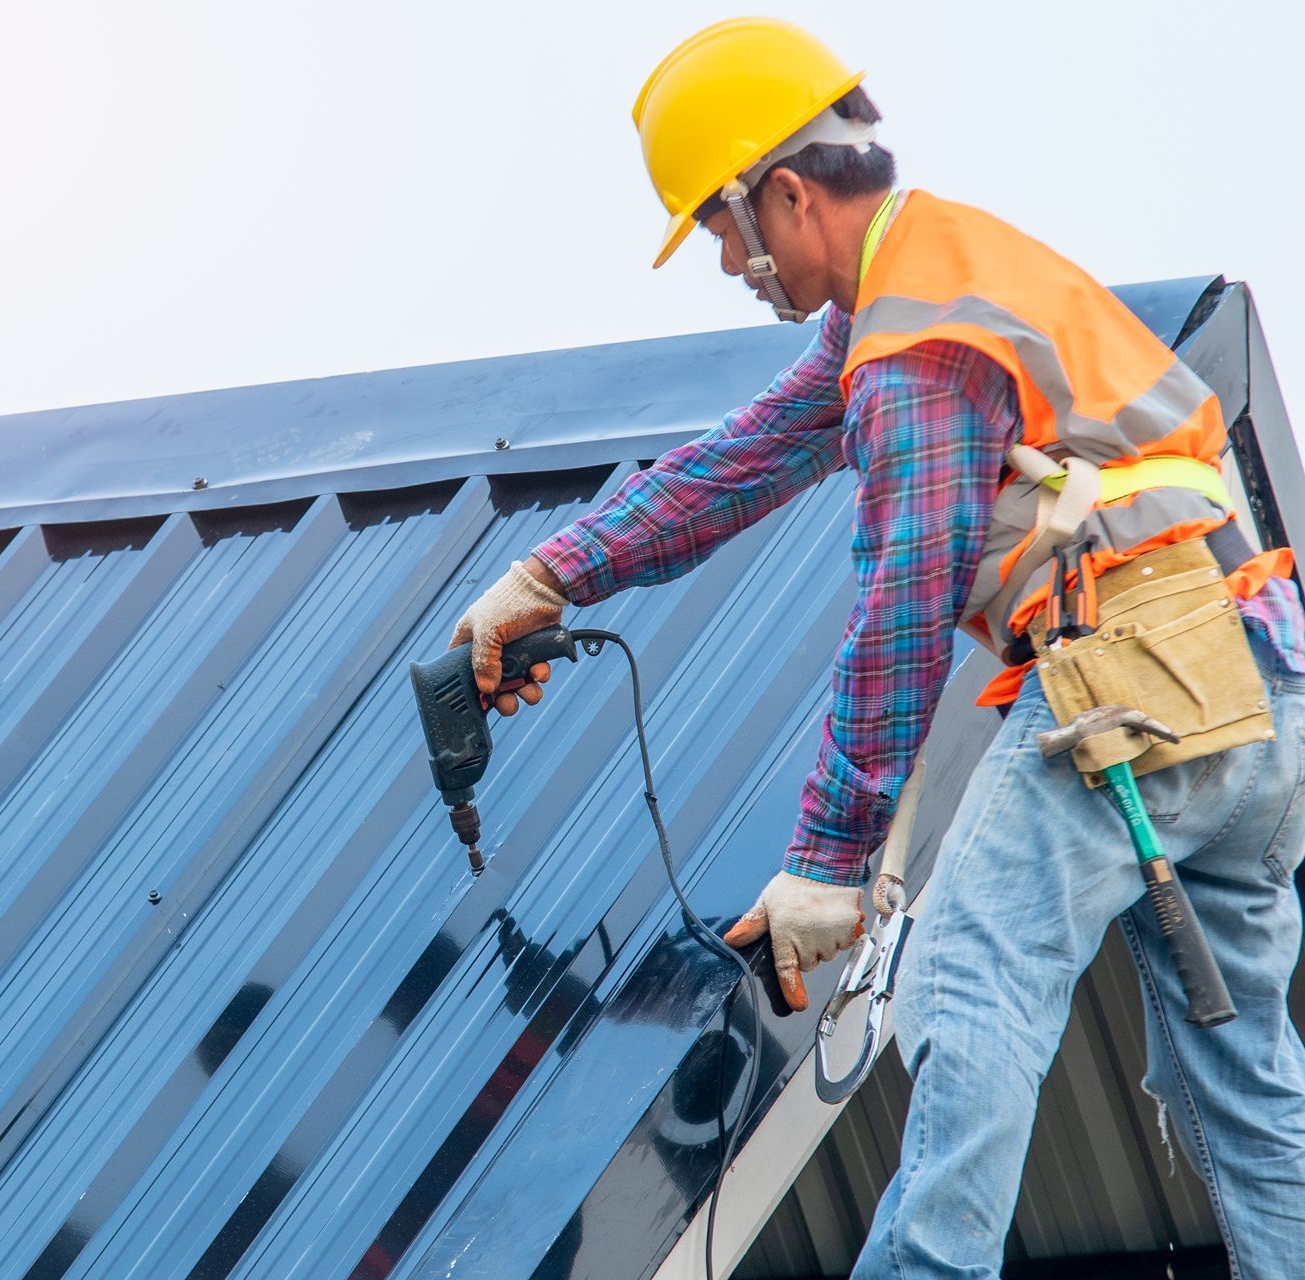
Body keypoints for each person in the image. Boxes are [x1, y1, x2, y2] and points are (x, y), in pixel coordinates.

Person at [447, 17, 1305, 1278]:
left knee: (965, 982)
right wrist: (542, 578)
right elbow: (742, 459)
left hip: (1137, 670)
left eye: (727, 231)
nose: (733, 265)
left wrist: (823, 862)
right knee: (1240, 1075)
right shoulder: (934, 278)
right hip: (1251, 686)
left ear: (785, 191)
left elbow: (904, 600)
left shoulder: (915, 350)